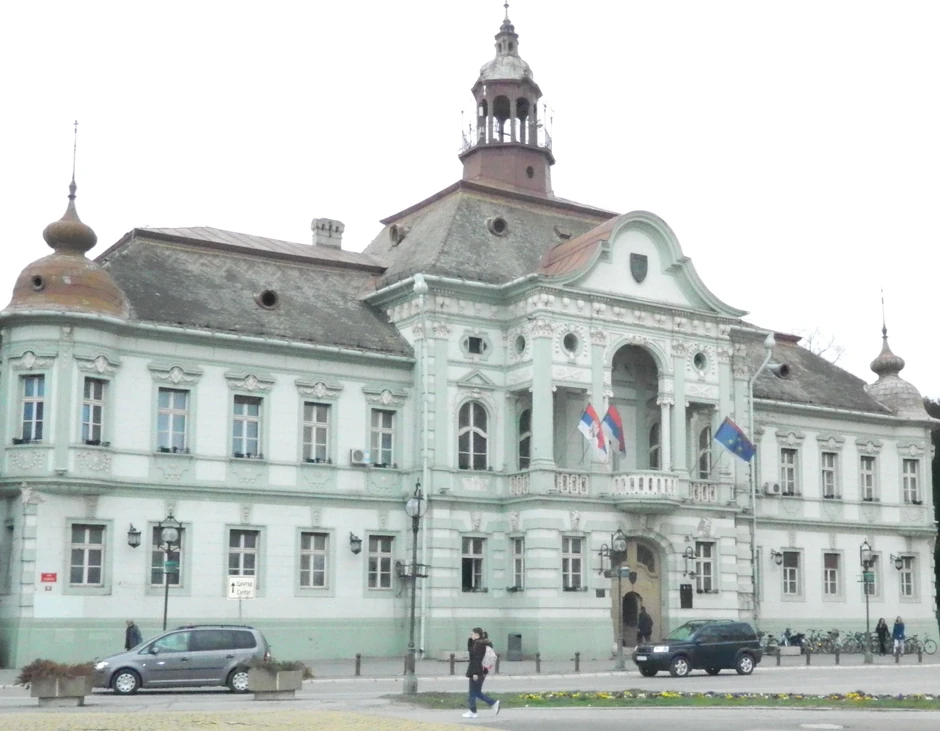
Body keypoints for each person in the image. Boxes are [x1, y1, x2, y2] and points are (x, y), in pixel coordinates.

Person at [463, 627, 499, 719]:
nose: (471, 635)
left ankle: (473, 711)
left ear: (476, 634)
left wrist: (475, 673)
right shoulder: (478, 643)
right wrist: (470, 640)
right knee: (476, 692)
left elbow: (477, 659)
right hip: (481, 671)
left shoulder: (478, 645)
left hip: (477, 671)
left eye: (472, 634)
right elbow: (471, 653)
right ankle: (493, 703)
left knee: (473, 692)